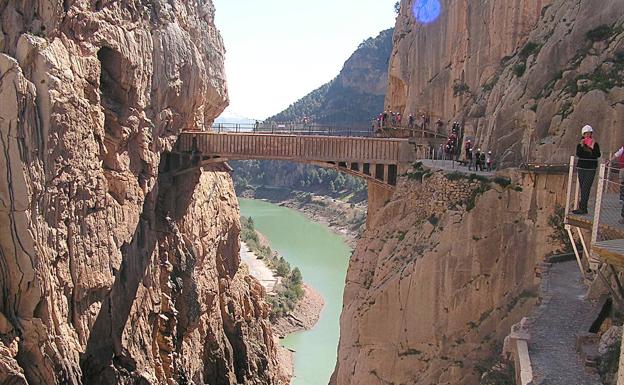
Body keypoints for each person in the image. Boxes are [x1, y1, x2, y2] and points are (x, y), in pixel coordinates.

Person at [573, 125, 601, 215]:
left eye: (589, 133)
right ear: (583, 134)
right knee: (583, 187)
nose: (588, 135)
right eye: (586, 133)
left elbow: (597, 154)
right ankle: (583, 208)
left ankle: (583, 208)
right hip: (582, 168)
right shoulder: (580, 144)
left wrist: (591, 147)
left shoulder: (595, 144)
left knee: (586, 187)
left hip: (590, 168)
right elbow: (579, 154)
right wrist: (585, 146)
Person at [608, 144, 624, 224]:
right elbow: (618, 153)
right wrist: (610, 160)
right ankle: (621, 196)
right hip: (623, 168)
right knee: (622, 182)